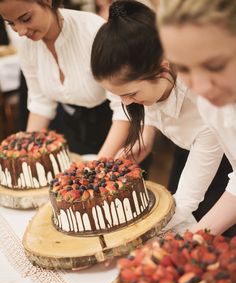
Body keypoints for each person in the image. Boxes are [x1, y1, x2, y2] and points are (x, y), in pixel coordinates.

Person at [90, 0, 229, 232]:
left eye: (131, 93)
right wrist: (146, 134)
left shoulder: (205, 102)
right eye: (119, 95)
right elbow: (154, 109)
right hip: (189, 151)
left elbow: (184, 201)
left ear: (162, 68)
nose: (125, 103)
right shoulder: (153, 83)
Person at [157, 0, 236, 235]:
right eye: (184, 69)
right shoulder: (212, 105)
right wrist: (192, 242)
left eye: (215, 65)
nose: (200, 87)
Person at [0, 0, 114, 156]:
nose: (20, 31)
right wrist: (25, 154)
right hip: (73, 130)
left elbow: (123, 108)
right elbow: (41, 103)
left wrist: (99, 164)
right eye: (11, 23)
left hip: (116, 130)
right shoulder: (27, 45)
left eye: (25, 19)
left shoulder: (93, 30)